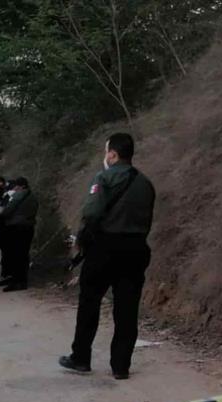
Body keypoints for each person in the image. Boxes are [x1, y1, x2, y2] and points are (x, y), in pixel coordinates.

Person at [60, 133, 155, 380]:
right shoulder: (146, 183)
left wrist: (82, 241)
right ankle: (120, 366)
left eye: (106, 152)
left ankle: (81, 357)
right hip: (135, 249)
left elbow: (92, 213)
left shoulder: (104, 177)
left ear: (112, 154)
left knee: (89, 301)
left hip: (104, 248)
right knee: (127, 308)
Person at [0, 177, 38, 292]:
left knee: (16, 255)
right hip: (28, 227)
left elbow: (7, 211)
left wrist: (0, 210)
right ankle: (21, 280)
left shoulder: (18, 195)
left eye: (16, 186)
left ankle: (17, 281)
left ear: (21, 186)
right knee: (23, 254)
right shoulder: (32, 197)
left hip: (17, 228)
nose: (14, 188)